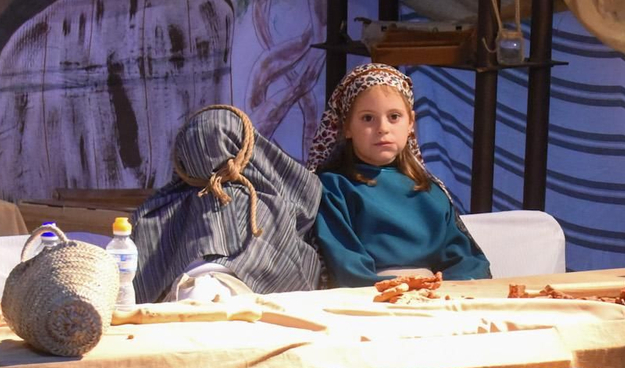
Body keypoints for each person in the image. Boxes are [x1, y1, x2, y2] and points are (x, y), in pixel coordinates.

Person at [309, 63, 490, 287]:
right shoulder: (332, 189)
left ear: (411, 123)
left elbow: (466, 259)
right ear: (347, 127)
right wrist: (400, 288)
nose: (382, 128)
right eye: (367, 118)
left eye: (394, 117)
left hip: (436, 299)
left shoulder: (429, 190)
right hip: (372, 299)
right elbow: (346, 266)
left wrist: (447, 289)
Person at [132, 104, 324, 301]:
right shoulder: (270, 199)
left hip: (199, 304)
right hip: (237, 306)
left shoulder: (157, 212)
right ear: (243, 144)